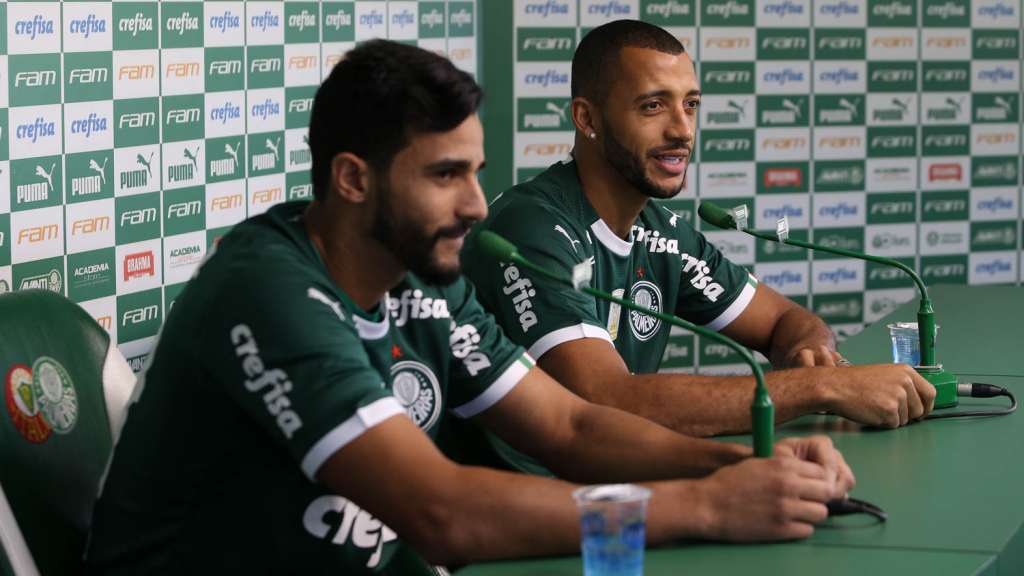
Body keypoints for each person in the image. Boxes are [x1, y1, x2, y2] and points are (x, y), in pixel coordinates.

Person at [86, 40, 853, 575]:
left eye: (476, 172)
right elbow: (441, 512)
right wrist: (706, 509)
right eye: (445, 175)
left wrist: (745, 466)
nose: (477, 205)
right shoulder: (266, 289)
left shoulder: (423, 274)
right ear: (353, 180)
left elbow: (571, 426)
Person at [460, 20, 935, 474]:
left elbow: (785, 321)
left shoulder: (661, 231)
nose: (682, 130)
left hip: (617, 487)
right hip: (520, 506)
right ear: (587, 118)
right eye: (653, 106)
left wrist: (811, 352)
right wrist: (820, 387)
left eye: (690, 105)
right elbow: (604, 398)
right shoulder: (532, 228)